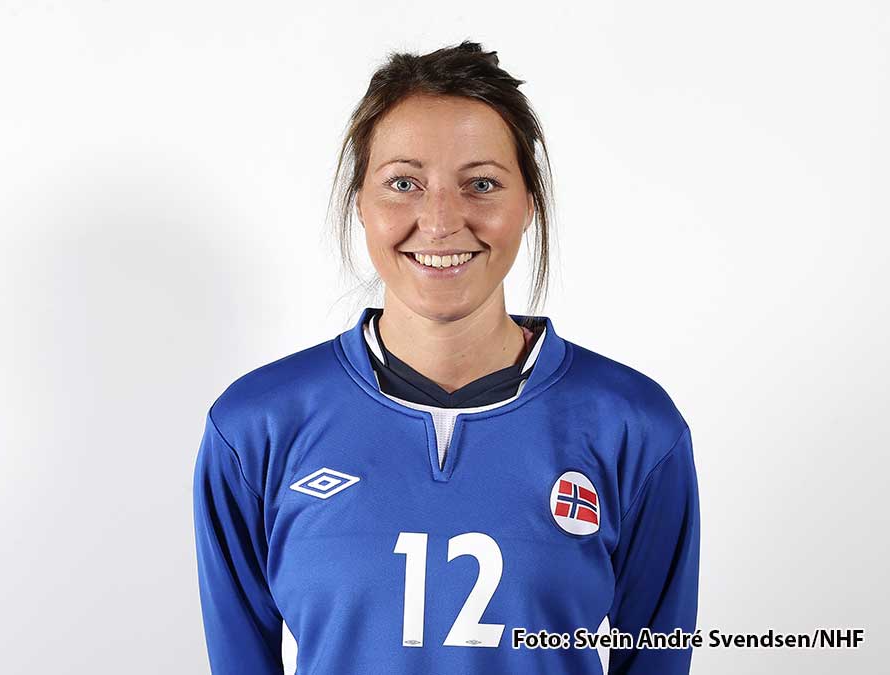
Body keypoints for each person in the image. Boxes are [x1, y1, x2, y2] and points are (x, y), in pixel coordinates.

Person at [192, 40, 700, 675]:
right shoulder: (256, 427)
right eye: (403, 184)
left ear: (529, 203)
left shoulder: (634, 427)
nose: (439, 221)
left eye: (481, 184)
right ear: (360, 202)